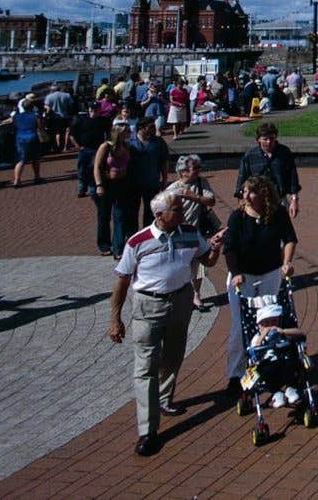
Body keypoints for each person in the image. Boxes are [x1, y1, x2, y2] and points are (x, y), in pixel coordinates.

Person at [106, 190, 221, 457]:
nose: (183, 213)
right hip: (149, 305)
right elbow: (122, 280)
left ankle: (165, 399)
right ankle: (147, 431)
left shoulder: (190, 232)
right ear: (160, 215)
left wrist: (215, 246)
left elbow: (208, 260)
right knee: (146, 366)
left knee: (173, 355)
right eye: (177, 210)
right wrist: (115, 319)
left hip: (180, 302)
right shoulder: (138, 241)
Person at [221, 174, 298, 393]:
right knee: (240, 326)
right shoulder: (237, 218)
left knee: (270, 323)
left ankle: (271, 367)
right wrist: (235, 272)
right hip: (243, 278)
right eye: (244, 192)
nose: (245, 196)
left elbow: (290, 239)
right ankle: (236, 374)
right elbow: (230, 249)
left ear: (263, 194)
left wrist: (287, 262)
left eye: (250, 192)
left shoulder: (277, 214)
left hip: (270, 274)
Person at [166, 155, 219, 312]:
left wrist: (195, 197)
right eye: (193, 168)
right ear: (182, 172)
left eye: (198, 167)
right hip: (179, 233)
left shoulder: (202, 183)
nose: (198, 171)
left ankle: (196, 295)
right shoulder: (172, 190)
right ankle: (180, 295)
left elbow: (211, 201)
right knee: (180, 266)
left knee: (198, 266)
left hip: (198, 231)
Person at [235, 123, 301, 218]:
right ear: (258, 139)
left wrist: (294, 200)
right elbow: (242, 181)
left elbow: (293, 178)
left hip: (279, 200)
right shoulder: (250, 156)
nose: (269, 142)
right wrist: (241, 201)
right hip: (256, 201)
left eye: (271, 138)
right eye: (265, 139)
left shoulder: (284, 153)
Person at [249, 303, 307, 408]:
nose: (271, 326)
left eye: (274, 322)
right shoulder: (257, 337)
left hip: (284, 362)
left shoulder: (283, 333)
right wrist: (263, 336)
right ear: (259, 325)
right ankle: (277, 393)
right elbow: (255, 350)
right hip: (268, 365)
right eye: (266, 323)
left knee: (292, 362)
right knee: (263, 371)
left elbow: (301, 334)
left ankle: (291, 388)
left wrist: (283, 331)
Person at [94, 122, 134, 258]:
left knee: (120, 215)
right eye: (127, 131)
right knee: (104, 215)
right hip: (107, 184)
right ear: (119, 132)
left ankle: (118, 248)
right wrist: (99, 184)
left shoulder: (126, 146)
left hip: (122, 184)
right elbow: (97, 167)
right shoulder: (105, 146)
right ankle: (104, 244)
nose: (129, 133)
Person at [127, 120, 172, 230]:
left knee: (151, 210)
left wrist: (165, 180)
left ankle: (148, 233)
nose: (154, 129)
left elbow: (164, 162)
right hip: (133, 184)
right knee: (132, 211)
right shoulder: (129, 142)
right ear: (141, 128)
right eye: (151, 126)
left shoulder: (158, 142)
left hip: (152, 182)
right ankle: (133, 235)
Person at [3, 94, 45, 188]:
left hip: (20, 137)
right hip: (32, 136)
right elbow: (40, 127)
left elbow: (13, 124)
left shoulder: (16, 116)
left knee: (21, 159)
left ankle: (17, 180)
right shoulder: (35, 115)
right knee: (35, 158)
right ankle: (37, 177)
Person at [44, 82, 75, 152]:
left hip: (55, 117)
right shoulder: (67, 95)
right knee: (67, 131)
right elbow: (71, 105)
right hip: (65, 116)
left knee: (57, 132)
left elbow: (47, 107)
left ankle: (57, 147)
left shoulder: (49, 97)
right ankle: (65, 147)